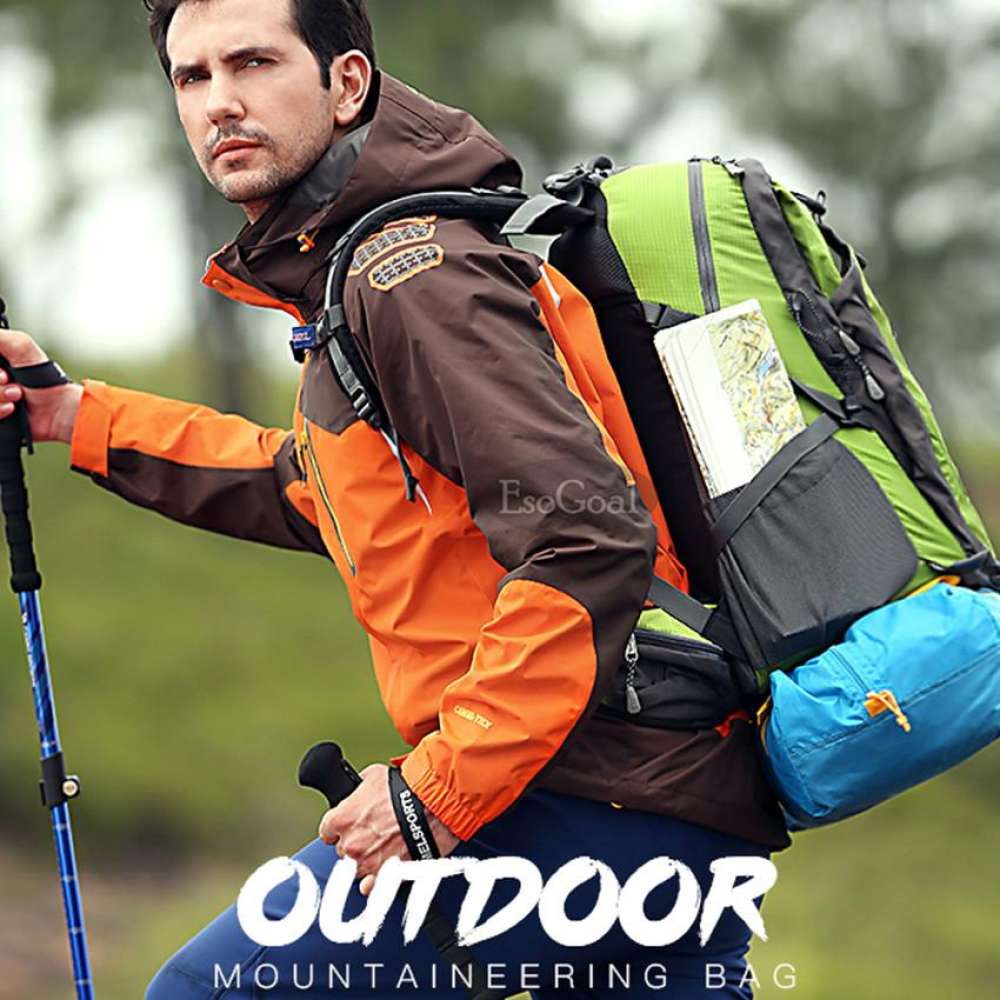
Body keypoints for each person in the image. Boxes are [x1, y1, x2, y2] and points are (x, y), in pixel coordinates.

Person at [0, 1, 789, 995]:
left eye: (253, 62)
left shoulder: (409, 273)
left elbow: (587, 535)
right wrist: (78, 416)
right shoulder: (375, 269)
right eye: (192, 77)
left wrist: (431, 798)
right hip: (653, 793)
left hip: (586, 792)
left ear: (347, 84)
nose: (220, 102)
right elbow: (322, 492)